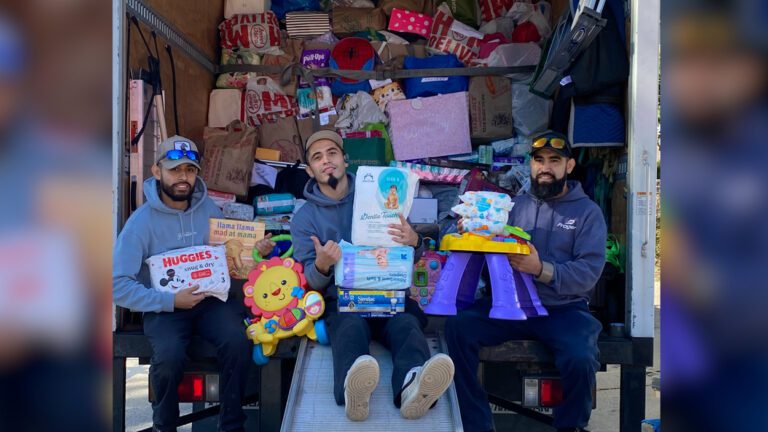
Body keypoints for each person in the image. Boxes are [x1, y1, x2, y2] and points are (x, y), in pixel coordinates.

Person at [445, 131, 607, 432]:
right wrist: (473, 235)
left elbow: (589, 272)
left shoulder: (588, 213)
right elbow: (487, 264)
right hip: (510, 305)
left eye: (554, 160)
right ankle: (476, 422)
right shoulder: (510, 208)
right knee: (457, 328)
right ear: (530, 165)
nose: (545, 167)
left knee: (581, 358)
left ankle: (570, 427)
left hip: (563, 309)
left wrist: (540, 268)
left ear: (569, 166)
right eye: (539, 160)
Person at [289, 130, 455, 421]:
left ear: (345, 159)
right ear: (309, 170)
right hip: (343, 302)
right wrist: (323, 265)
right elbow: (310, 284)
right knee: (350, 329)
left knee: (406, 324)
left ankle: (412, 386)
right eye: (317, 157)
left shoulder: (379, 193)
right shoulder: (304, 219)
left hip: (390, 296)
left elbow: (409, 258)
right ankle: (353, 390)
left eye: (332, 153)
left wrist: (414, 241)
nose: (326, 161)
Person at [113, 136, 251, 432]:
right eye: (175, 170)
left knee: (238, 341)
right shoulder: (140, 223)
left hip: (210, 302)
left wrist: (253, 251)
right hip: (165, 307)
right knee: (169, 357)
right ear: (156, 171)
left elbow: (228, 257)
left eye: (189, 170)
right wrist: (169, 301)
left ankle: (231, 425)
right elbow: (117, 285)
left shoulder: (209, 209)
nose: (183, 177)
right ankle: (164, 426)